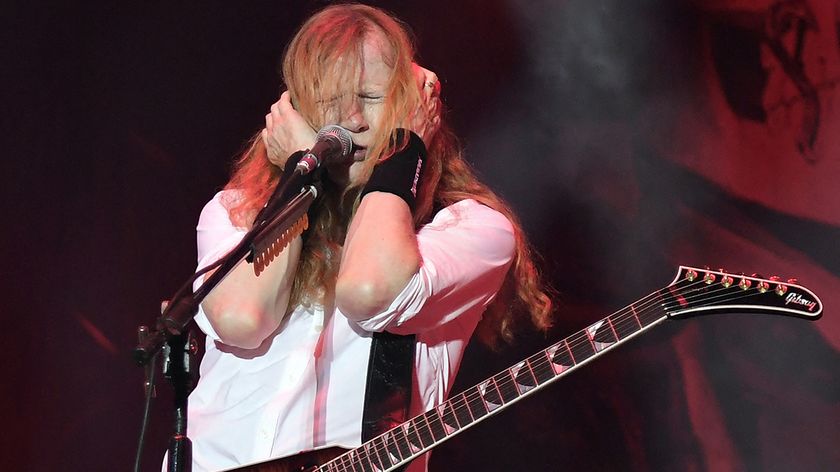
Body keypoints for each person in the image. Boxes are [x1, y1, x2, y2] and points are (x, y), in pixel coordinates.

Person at [188, 4, 553, 471]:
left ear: (414, 110)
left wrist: (403, 156)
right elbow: (242, 317)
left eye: (371, 97)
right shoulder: (236, 212)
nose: (352, 120)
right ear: (291, 112)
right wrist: (301, 177)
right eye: (330, 100)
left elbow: (370, 292)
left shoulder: (471, 229)